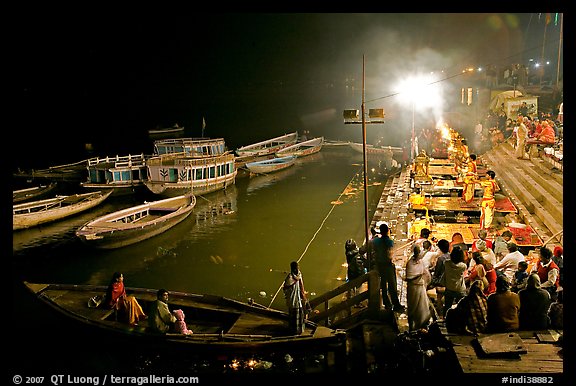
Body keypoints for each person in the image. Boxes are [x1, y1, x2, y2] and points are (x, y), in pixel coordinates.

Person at [372, 222, 404, 312]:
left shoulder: (375, 241)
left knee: (383, 285)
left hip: (379, 265)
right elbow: (390, 254)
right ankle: (396, 304)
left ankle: (387, 304)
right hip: (388, 265)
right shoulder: (389, 241)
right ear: (387, 231)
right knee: (392, 285)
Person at [404, 244, 432, 331]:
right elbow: (409, 276)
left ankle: (421, 325)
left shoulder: (421, 262)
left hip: (420, 287)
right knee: (412, 307)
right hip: (413, 288)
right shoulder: (410, 263)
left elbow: (426, 273)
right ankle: (411, 327)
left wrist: (427, 282)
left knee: (422, 308)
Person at [283, 261, 309, 335]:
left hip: (298, 298)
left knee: (300, 315)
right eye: (296, 267)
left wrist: (302, 294)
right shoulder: (290, 277)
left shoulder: (299, 275)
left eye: (298, 267)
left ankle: (299, 331)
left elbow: (301, 285)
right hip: (292, 298)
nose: (297, 269)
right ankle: (293, 331)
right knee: (293, 316)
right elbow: (286, 287)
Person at [442, 245, 468, 318]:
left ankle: (445, 319)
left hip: (449, 287)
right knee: (462, 306)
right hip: (460, 289)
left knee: (447, 306)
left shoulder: (446, 263)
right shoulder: (463, 266)